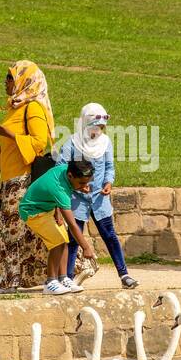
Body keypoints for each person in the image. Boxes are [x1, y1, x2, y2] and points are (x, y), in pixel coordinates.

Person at [0, 61, 55, 293]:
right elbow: (10, 150)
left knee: (12, 232)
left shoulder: (33, 108)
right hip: (9, 181)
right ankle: (6, 279)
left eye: (10, 77)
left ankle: (8, 281)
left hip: (23, 180)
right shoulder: (14, 107)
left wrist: (8, 133)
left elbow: (40, 142)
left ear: (25, 81)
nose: (6, 81)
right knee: (10, 231)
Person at [56, 102, 137, 289]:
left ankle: (124, 275)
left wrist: (108, 183)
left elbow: (109, 167)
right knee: (74, 239)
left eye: (101, 127)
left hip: (100, 199)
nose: (97, 131)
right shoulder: (72, 144)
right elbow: (60, 169)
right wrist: (75, 187)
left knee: (110, 236)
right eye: (94, 127)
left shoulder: (105, 143)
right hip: (77, 200)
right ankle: (67, 278)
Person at [19, 159, 97, 295]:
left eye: (87, 182)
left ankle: (63, 278)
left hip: (47, 207)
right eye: (82, 183)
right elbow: (72, 225)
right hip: (32, 211)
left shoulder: (67, 169)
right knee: (57, 242)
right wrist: (86, 247)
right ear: (71, 176)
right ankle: (51, 282)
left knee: (64, 241)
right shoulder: (59, 188)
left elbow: (50, 192)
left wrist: (57, 210)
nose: (85, 186)